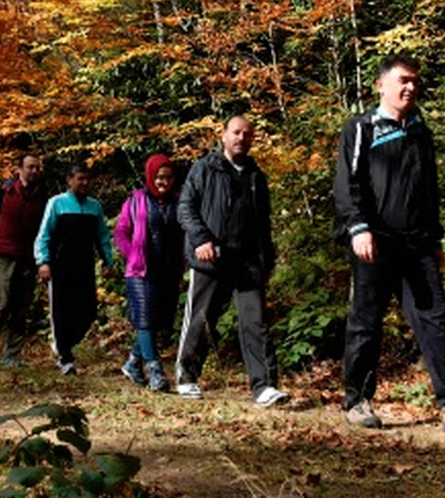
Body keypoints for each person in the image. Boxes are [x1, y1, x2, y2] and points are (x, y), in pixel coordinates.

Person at [334, 53, 445, 433]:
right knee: (366, 321)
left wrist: (435, 239)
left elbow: (429, 190)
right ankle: (357, 400)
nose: (410, 87)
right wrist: (358, 228)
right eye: (403, 80)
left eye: (415, 81)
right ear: (381, 85)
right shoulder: (361, 129)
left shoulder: (420, 131)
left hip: (417, 245)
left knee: (435, 318)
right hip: (373, 243)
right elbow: (347, 184)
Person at [174, 116, 290, 408]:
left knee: (256, 322)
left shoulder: (255, 176)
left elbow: (263, 223)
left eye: (247, 134)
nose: (242, 138)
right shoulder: (204, 168)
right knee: (202, 319)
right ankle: (186, 376)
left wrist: (268, 260)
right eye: (236, 133)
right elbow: (185, 207)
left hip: (248, 262)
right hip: (211, 258)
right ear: (224, 136)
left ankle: (264, 387)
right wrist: (201, 240)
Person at [114, 154, 185, 392]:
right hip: (141, 270)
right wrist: (131, 253)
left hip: (169, 270)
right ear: (150, 176)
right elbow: (121, 232)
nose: (164, 182)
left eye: (168, 177)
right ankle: (156, 371)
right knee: (145, 319)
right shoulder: (136, 200)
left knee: (159, 321)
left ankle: (133, 363)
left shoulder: (179, 201)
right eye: (159, 177)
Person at [35, 165, 114, 375]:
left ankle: (66, 344)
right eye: (80, 179)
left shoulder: (94, 207)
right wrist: (43, 262)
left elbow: (102, 236)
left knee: (88, 312)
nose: (84, 183)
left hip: (85, 267)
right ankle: (65, 358)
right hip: (60, 268)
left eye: (87, 179)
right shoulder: (57, 204)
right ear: (70, 180)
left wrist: (108, 262)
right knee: (61, 313)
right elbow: (44, 235)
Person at [0, 154, 48, 366]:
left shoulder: (42, 196)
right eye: (30, 167)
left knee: (21, 307)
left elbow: (45, 229)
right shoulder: (4, 192)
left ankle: (12, 353)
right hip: (2, 254)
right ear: (20, 169)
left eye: (37, 167)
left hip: (27, 256)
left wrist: (42, 258)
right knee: (1, 304)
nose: (34, 171)